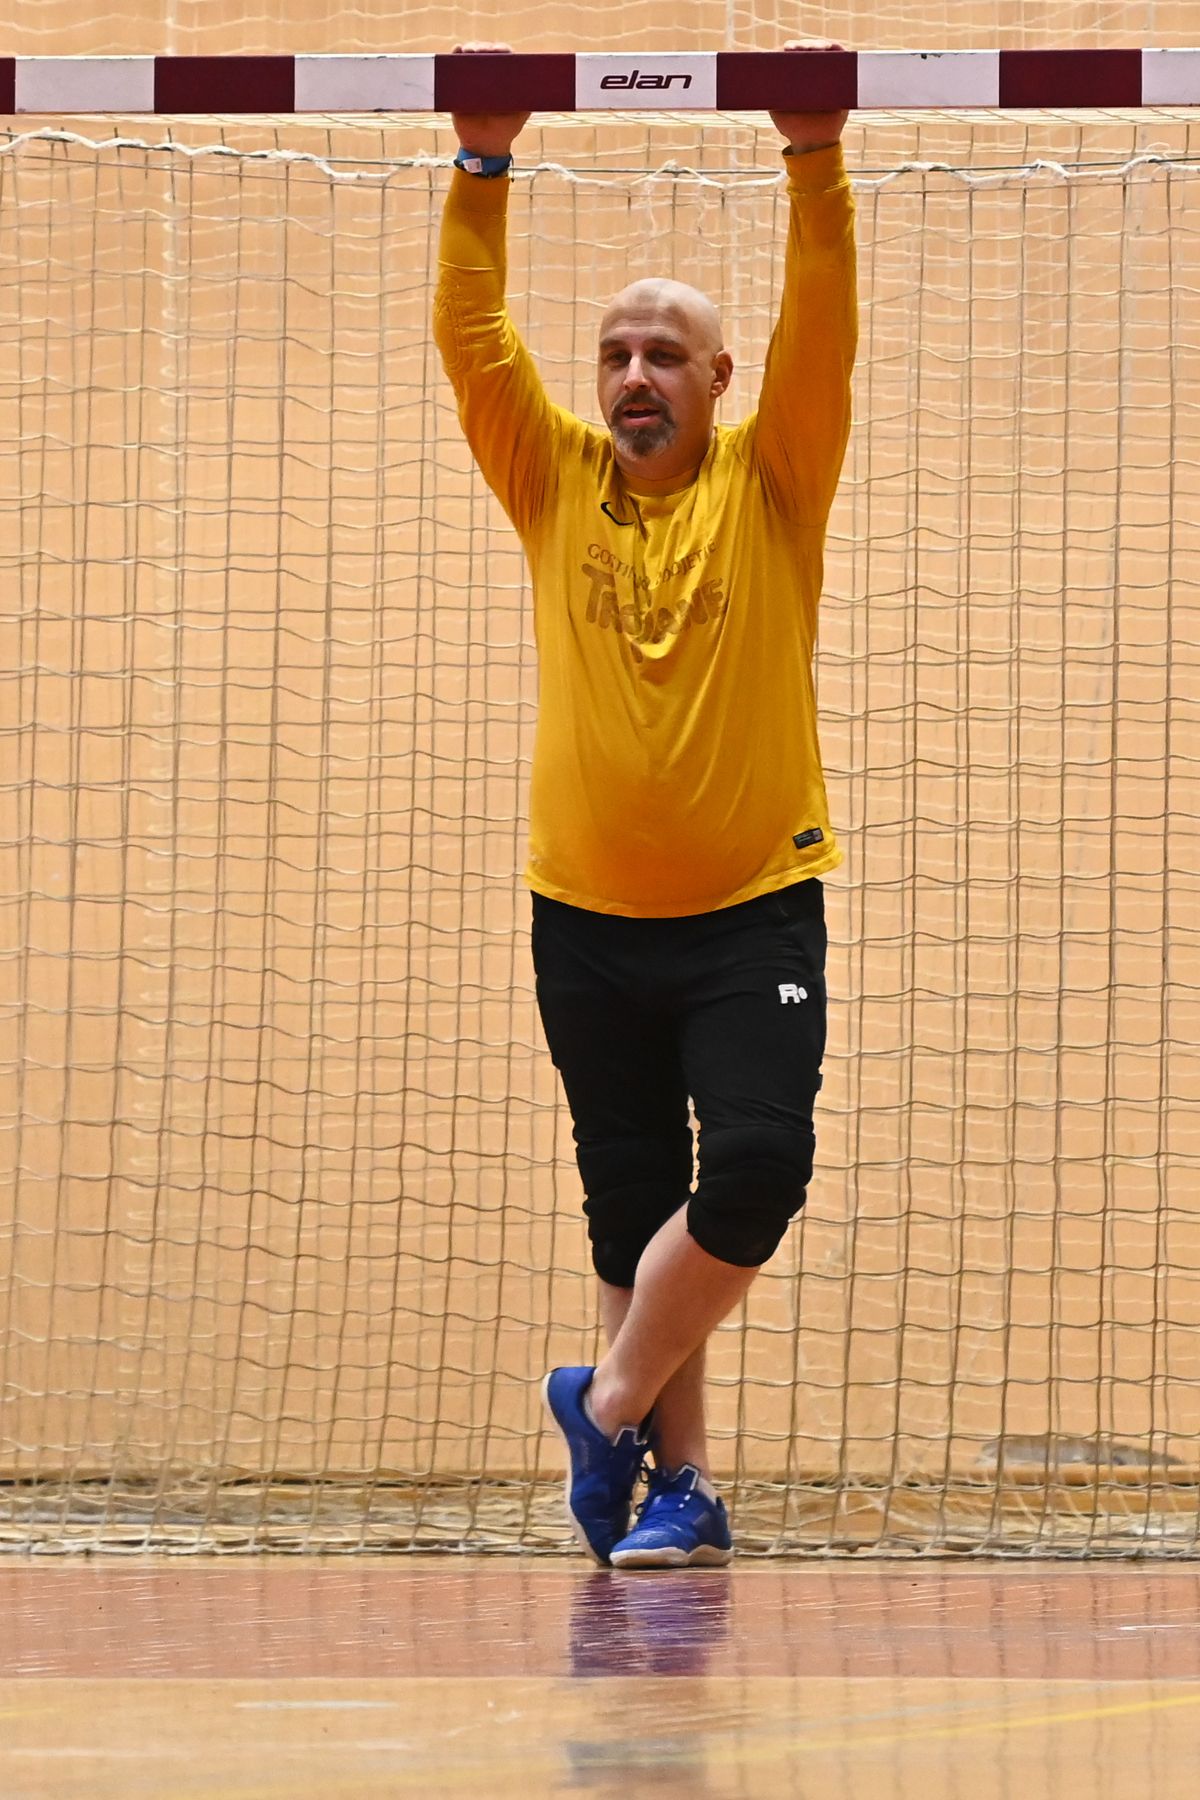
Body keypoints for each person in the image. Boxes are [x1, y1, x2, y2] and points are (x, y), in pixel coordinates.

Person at [434, 41, 856, 1568]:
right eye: (614, 352)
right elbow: (473, 338)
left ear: (720, 383)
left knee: (755, 1169)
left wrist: (813, 158)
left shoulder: (774, 479)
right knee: (628, 1212)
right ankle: (677, 1487)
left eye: (665, 355)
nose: (631, 376)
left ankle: (602, 1404)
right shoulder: (550, 478)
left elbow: (823, 330)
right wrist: (483, 164)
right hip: (585, 918)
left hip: (752, 911)